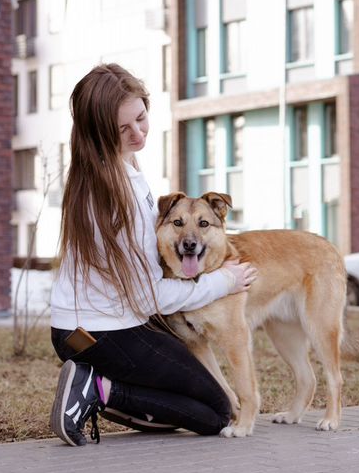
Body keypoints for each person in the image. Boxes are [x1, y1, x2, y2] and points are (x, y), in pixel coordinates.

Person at [49, 63, 257, 447]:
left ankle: (98, 381)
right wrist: (222, 281)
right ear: (100, 130)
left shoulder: (102, 169)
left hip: (75, 330)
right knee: (216, 412)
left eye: (141, 119)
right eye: (123, 129)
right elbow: (150, 299)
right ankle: (98, 390)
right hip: (105, 333)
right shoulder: (117, 195)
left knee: (189, 385)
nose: (138, 133)